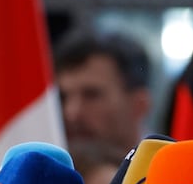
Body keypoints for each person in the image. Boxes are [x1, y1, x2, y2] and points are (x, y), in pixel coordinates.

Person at [54, 29, 156, 157]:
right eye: (63, 97)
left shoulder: (172, 173)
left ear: (140, 104)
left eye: (91, 95)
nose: (71, 113)